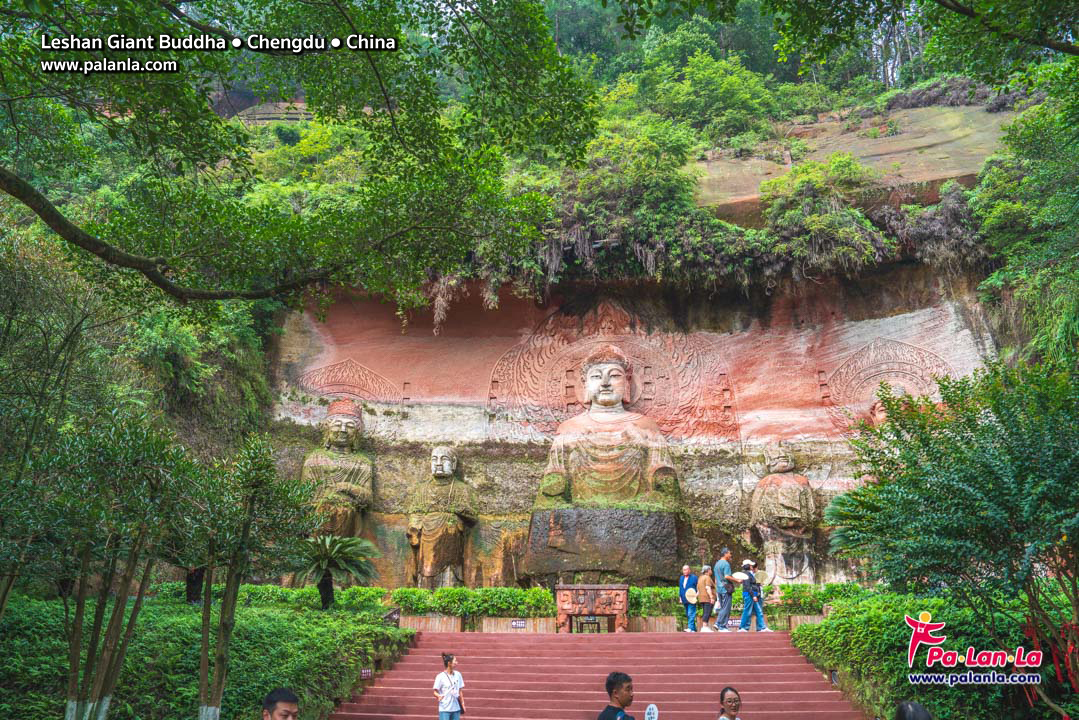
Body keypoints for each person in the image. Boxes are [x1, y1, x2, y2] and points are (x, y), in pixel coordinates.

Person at [737, 560, 772, 632]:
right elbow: (747, 586)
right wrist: (753, 595)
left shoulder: (749, 573)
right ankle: (742, 627)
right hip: (749, 594)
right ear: (748, 566)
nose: (751, 566)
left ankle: (762, 627)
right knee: (747, 611)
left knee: (758, 611)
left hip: (752, 594)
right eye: (750, 565)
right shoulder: (746, 574)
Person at [433, 652, 465, 720]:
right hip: (445, 709)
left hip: (456, 708)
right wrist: (438, 696)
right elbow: (435, 692)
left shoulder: (458, 675)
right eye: (455, 661)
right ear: (449, 663)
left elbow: (460, 691)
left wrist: (462, 704)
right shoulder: (440, 676)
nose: (457, 662)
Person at [712, 547, 737, 632]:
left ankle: (723, 626)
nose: (730, 555)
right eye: (729, 553)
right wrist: (737, 580)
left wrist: (716, 588)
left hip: (719, 588)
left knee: (723, 607)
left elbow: (715, 578)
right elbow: (727, 576)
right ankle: (719, 624)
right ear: (725, 554)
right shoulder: (726, 564)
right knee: (726, 607)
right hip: (726, 589)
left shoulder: (717, 564)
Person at [678, 564, 699, 632]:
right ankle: (693, 629)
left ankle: (690, 628)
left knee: (691, 613)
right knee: (688, 614)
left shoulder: (694, 577)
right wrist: (680, 597)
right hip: (684, 598)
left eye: (686, 569)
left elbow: (698, 587)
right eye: (684, 570)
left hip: (692, 598)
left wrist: (697, 594)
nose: (685, 571)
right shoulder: (681, 578)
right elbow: (680, 588)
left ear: (689, 570)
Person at [697, 564, 717, 632]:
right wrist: (711, 597)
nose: (711, 571)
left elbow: (698, 589)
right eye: (710, 569)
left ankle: (705, 626)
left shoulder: (700, 577)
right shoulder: (707, 577)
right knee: (707, 612)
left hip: (701, 598)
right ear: (708, 570)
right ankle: (704, 627)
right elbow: (708, 587)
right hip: (707, 598)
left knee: (705, 611)